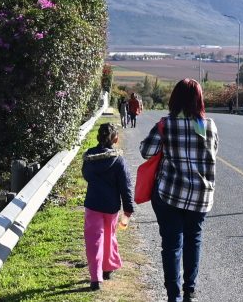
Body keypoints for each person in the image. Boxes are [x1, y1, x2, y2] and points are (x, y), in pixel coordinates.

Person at [140, 79, 218, 302]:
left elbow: (146, 151)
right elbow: (212, 155)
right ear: (199, 99)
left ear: (175, 99)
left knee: (172, 245)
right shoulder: (209, 125)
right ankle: (189, 292)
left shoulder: (166, 124)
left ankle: (173, 296)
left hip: (170, 194)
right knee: (194, 240)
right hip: (200, 196)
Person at [82, 123, 134, 291]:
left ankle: (95, 278)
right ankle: (107, 268)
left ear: (99, 137)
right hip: (111, 207)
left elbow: (86, 175)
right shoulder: (118, 160)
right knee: (109, 237)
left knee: (93, 240)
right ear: (116, 139)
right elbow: (125, 186)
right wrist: (128, 208)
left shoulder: (89, 156)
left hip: (93, 204)